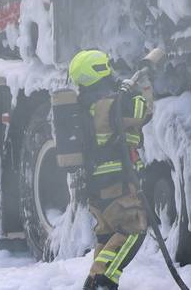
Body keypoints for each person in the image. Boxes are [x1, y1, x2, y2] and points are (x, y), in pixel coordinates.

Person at [69, 49, 154, 290]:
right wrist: (143, 84)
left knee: (107, 236)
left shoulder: (86, 105)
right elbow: (144, 111)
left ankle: (93, 281)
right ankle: (103, 281)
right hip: (115, 183)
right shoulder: (113, 104)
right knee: (133, 230)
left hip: (96, 187)